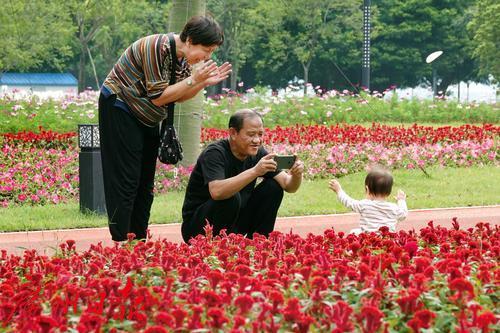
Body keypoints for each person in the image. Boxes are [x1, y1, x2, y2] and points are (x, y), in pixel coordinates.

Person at [98, 16, 232, 241]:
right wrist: (194, 80)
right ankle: (121, 241)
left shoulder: (184, 60)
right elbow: (159, 97)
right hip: (121, 108)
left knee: (145, 183)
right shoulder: (155, 48)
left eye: (211, 52)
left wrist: (201, 83)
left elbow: (179, 96)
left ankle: (138, 239)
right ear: (189, 40)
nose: (207, 57)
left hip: (148, 116)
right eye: (206, 50)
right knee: (126, 180)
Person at [181, 109, 304, 242]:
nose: (257, 140)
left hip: (235, 221)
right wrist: (255, 171)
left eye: (260, 134)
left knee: (273, 187)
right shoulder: (215, 153)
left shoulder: (258, 153)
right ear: (233, 133)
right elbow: (217, 192)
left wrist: (297, 175)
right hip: (198, 227)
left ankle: (260, 243)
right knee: (230, 196)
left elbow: (288, 185)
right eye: (251, 135)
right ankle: (217, 245)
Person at [328, 167, 408, 234]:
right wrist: (401, 200)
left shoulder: (364, 205)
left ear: (367, 189)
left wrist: (339, 191)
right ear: (389, 192)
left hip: (367, 240)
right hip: (387, 240)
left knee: (354, 232)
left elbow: (349, 202)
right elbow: (403, 214)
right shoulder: (393, 208)